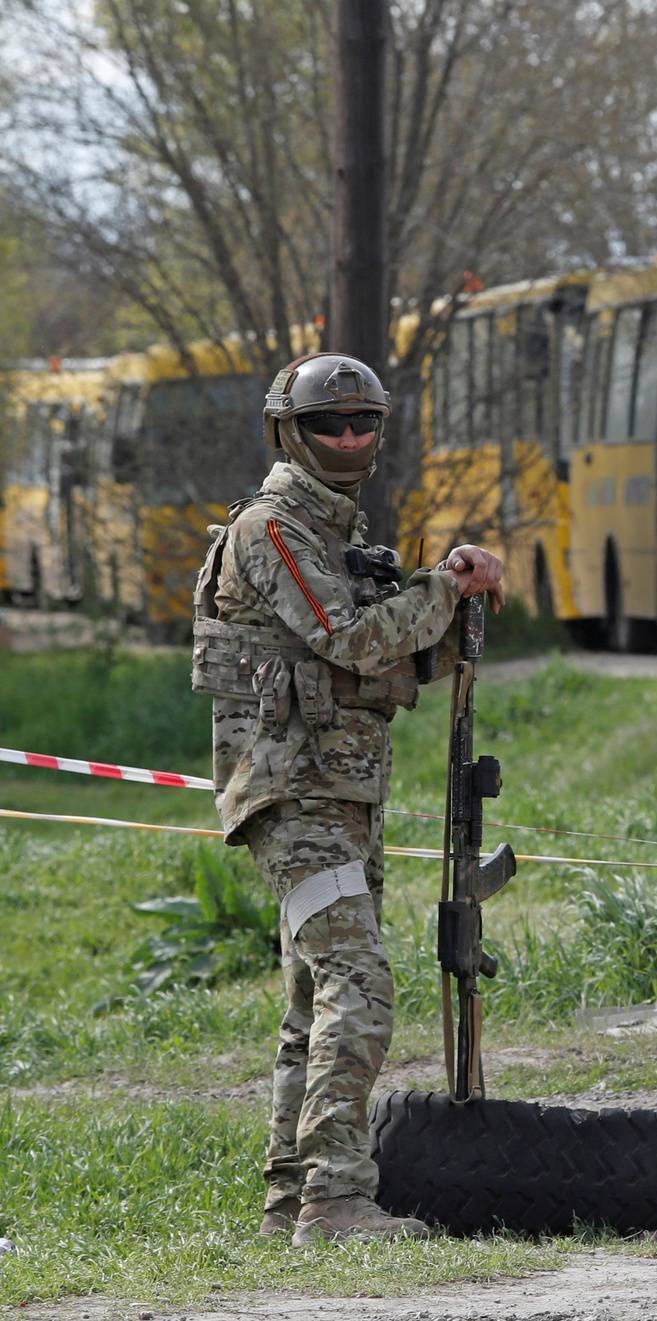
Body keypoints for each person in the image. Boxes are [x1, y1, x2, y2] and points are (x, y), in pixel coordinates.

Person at [189, 353, 504, 1245]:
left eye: (366, 421)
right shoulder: (274, 528)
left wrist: (455, 608)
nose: (351, 437)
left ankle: (292, 1201)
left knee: (312, 1001)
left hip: (345, 795)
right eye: (332, 424)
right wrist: (442, 591)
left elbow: (388, 664)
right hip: (294, 795)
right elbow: (352, 635)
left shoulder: (340, 537)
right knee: (358, 981)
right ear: (290, 431)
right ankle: (334, 1200)